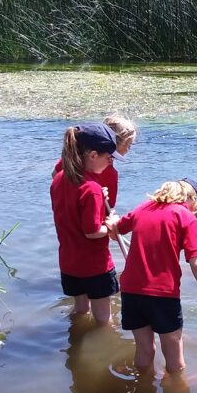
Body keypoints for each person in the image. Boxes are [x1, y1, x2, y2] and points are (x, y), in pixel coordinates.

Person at [107, 178, 197, 375]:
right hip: (162, 294)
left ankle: (144, 392)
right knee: (175, 360)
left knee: (144, 351)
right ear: (194, 202)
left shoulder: (143, 208)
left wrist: (113, 221)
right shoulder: (186, 217)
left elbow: (115, 231)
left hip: (131, 291)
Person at [50, 122, 120, 324]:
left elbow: (71, 208)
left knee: (80, 310)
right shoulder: (92, 188)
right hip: (94, 266)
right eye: (108, 158)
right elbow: (92, 231)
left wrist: (98, 196)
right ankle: (103, 351)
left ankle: (74, 341)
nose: (109, 163)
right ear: (93, 156)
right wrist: (112, 225)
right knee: (103, 320)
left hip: (68, 262)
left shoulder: (60, 178)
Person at [52, 113, 137, 210]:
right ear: (114, 142)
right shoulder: (111, 174)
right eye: (128, 144)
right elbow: (108, 208)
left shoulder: (74, 156)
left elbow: (55, 175)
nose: (128, 149)